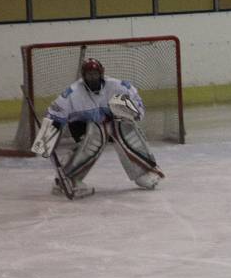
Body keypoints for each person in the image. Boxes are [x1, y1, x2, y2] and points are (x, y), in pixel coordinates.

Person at [35, 57, 164, 198]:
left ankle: (144, 171)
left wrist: (129, 112)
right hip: (83, 126)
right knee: (93, 139)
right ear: (83, 76)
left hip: (112, 121)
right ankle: (68, 178)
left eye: (95, 74)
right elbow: (53, 115)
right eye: (89, 75)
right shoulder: (73, 94)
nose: (92, 78)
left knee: (125, 128)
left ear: (102, 73)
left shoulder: (117, 86)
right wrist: (45, 143)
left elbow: (138, 109)